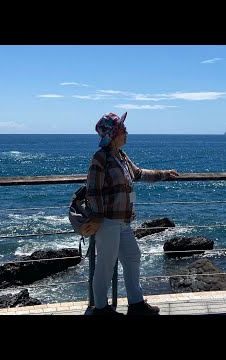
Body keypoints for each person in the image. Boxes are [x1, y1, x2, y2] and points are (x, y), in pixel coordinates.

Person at [82, 111, 179, 316]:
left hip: (123, 221)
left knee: (133, 256)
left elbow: (139, 173)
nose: (127, 132)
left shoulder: (121, 156)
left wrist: (164, 174)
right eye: (123, 129)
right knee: (106, 266)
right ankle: (101, 308)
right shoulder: (101, 158)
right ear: (114, 134)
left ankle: (136, 304)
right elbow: (92, 189)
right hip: (107, 221)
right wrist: (98, 216)